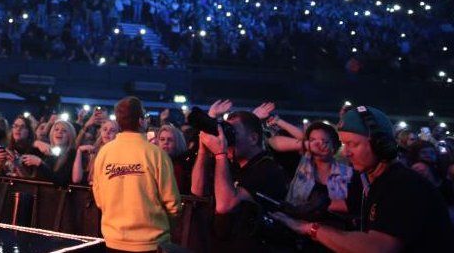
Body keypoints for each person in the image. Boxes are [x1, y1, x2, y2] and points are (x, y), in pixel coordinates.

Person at [274, 105, 454, 252]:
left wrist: (310, 228)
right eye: (345, 144)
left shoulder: (403, 185)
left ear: (380, 145)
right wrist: (298, 211)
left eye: (353, 144)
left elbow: (377, 247)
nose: (346, 152)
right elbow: (345, 205)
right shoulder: (371, 181)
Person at [191, 108, 288, 252]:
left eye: (232, 133)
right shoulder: (230, 165)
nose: (227, 138)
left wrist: (220, 154)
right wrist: (203, 150)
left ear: (253, 138)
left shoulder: (268, 169)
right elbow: (197, 192)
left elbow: (225, 206)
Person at [91, 97, 181, 252]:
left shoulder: (104, 152)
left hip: (113, 241)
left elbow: (99, 199)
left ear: (119, 122)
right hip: (152, 244)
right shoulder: (156, 154)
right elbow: (173, 204)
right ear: (141, 121)